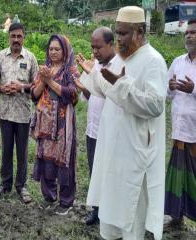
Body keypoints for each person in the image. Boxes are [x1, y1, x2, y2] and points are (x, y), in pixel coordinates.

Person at [77, 6, 167, 239]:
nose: (119, 38)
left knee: (131, 215)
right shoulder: (120, 59)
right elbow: (108, 90)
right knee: (111, 211)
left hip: (134, 154)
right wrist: (93, 75)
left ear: (140, 31)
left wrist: (122, 85)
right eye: (117, 33)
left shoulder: (153, 61)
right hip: (112, 150)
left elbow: (155, 105)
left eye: (124, 33)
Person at [30, 34, 79, 215]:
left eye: (57, 49)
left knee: (63, 161)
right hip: (44, 124)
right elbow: (34, 95)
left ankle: (66, 201)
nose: (53, 52)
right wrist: (43, 81)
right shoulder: (45, 69)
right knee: (46, 159)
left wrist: (50, 81)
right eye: (51, 49)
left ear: (65, 50)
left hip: (62, 125)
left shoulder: (70, 71)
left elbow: (73, 96)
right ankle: (49, 196)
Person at [0, 22, 38, 203]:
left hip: (23, 113)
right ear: (9, 37)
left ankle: (22, 186)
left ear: (24, 37)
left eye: (19, 36)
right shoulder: (1, 56)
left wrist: (21, 87)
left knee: (22, 151)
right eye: (13, 36)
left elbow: (36, 85)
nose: (16, 40)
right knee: (6, 150)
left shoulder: (30, 58)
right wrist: (2, 89)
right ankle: (5, 184)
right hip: (5, 113)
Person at [75, 27, 115, 225]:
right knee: (94, 171)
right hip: (93, 129)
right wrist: (84, 86)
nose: (95, 52)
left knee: (109, 173)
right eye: (92, 47)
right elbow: (91, 96)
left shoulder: (118, 67)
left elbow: (116, 97)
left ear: (111, 44)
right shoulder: (95, 65)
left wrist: (93, 77)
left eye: (98, 47)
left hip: (109, 132)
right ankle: (96, 211)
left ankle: (110, 214)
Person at [164, 18, 196, 227]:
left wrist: (192, 89)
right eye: (187, 33)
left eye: (194, 32)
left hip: (195, 134)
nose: (189, 36)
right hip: (179, 132)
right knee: (177, 177)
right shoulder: (177, 62)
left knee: (194, 179)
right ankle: (177, 217)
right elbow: (166, 94)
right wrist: (171, 87)